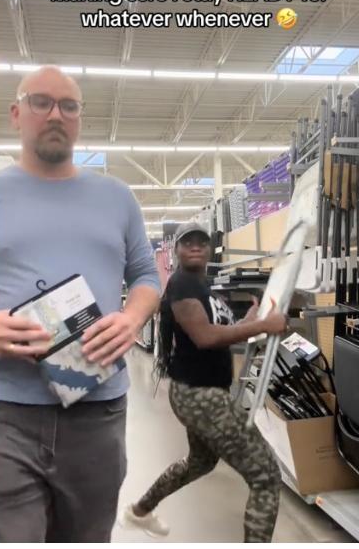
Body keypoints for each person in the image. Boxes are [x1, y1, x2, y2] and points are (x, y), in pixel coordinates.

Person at [0, 65, 161, 542]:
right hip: (10, 411)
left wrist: (131, 319)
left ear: (80, 119)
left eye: (68, 106)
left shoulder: (117, 197)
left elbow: (147, 276)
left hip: (97, 413)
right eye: (41, 102)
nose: (55, 114)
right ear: (16, 113)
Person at [119, 222, 287, 542]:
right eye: (187, 242)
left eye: (201, 242)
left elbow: (218, 331)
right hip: (202, 396)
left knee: (200, 463)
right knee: (265, 477)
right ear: (177, 250)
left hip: (197, 392)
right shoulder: (182, 285)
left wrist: (246, 323)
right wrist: (263, 325)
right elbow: (205, 337)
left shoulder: (201, 286)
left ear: (210, 249)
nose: (195, 246)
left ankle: (139, 511)